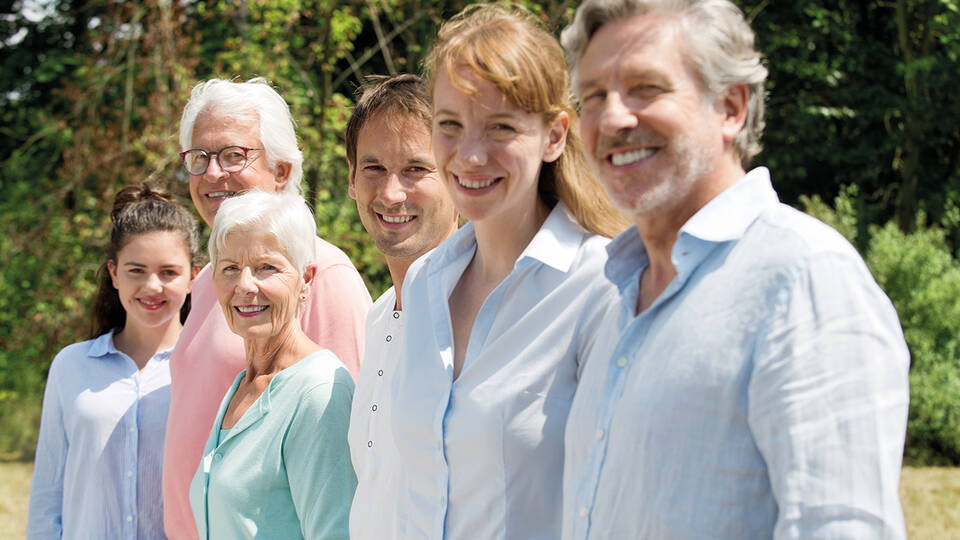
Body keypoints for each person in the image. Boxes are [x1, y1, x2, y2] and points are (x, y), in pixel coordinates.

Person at [558, 1, 911, 538]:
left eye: (645, 89)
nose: (612, 118)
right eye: (593, 97)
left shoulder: (804, 279)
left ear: (730, 107)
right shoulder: (616, 300)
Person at [387, 5, 630, 539]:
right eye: (450, 126)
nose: (471, 155)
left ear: (555, 135)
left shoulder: (604, 287)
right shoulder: (426, 282)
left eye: (500, 127)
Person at [163, 77, 371, 539]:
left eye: (234, 155)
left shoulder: (324, 273)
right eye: (200, 157)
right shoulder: (205, 283)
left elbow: (344, 451)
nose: (213, 173)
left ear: (281, 170)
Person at [28, 183, 199, 539]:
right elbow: (48, 494)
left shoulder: (209, 368)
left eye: (169, 272)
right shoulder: (70, 366)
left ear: (193, 277)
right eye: (136, 270)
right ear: (113, 273)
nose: (153, 286)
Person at [188, 189, 355, 539]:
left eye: (267, 268)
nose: (245, 285)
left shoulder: (320, 390)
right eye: (230, 268)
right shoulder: (242, 386)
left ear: (306, 279)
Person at [343, 74, 459, 539]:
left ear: (458, 174)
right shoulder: (377, 316)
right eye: (373, 168)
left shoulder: (488, 309)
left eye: (416, 168)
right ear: (351, 179)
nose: (391, 194)